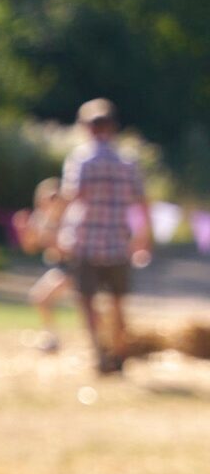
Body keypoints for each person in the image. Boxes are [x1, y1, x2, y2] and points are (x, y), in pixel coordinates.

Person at [57, 98, 153, 374]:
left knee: (87, 301)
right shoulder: (128, 161)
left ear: (87, 127)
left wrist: (54, 227)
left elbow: (72, 195)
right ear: (112, 127)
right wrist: (143, 238)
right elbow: (142, 203)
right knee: (118, 304)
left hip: (85, 241)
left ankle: (100, 353)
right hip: (118, 242)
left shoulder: (81, 159)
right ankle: (120, 355)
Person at [11, 178, 71, 352]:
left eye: (55, 196)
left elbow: (66, 248)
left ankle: (52, 338)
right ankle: (51, 337)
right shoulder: (41, 218)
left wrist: (53, 242)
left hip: (72, 267)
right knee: (40, 298)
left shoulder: (68, 218)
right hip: (58, 267)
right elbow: (30, 247)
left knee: (42, 297)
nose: (51, 200)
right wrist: (22, 230)